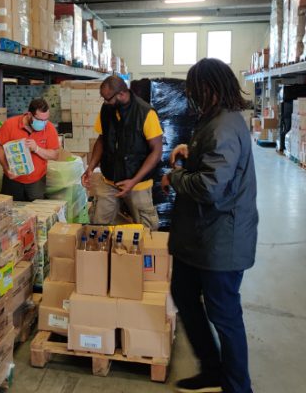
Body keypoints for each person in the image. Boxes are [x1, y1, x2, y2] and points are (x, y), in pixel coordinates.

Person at [162, 58, 258, 393]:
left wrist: (174, 177)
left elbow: (209, 187)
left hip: (221, 239)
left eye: (194, 89)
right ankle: (213, 368)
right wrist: (191, 151)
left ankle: (237, 386)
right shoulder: (215, 121)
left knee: (225, 314)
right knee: (183, 294)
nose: (191, 96)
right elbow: (213, 162)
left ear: (209, 88)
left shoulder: (224, 126)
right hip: (201, 236)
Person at [81, 76, 163, 230]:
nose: (105, 103)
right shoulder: (107, 110)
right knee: (98, 228)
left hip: (138, 184)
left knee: (148, 231)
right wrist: (90, 167)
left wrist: (134, 181)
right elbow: (101, 139)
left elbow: (156, 152)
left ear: (121, 94)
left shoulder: (145, 113)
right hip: (110, 180)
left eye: (107, 99)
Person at [0, 98, 60, 201]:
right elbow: (0, 148)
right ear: (29, 115)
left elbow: (55, 155)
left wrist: (37, 149)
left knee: (36, 212)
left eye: (46, 119)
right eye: (40, 120)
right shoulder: (10, 125)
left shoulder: (50, 128)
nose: (43, 123)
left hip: (37, 181)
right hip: (13, 179)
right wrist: (6, 168)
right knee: (11, 210)